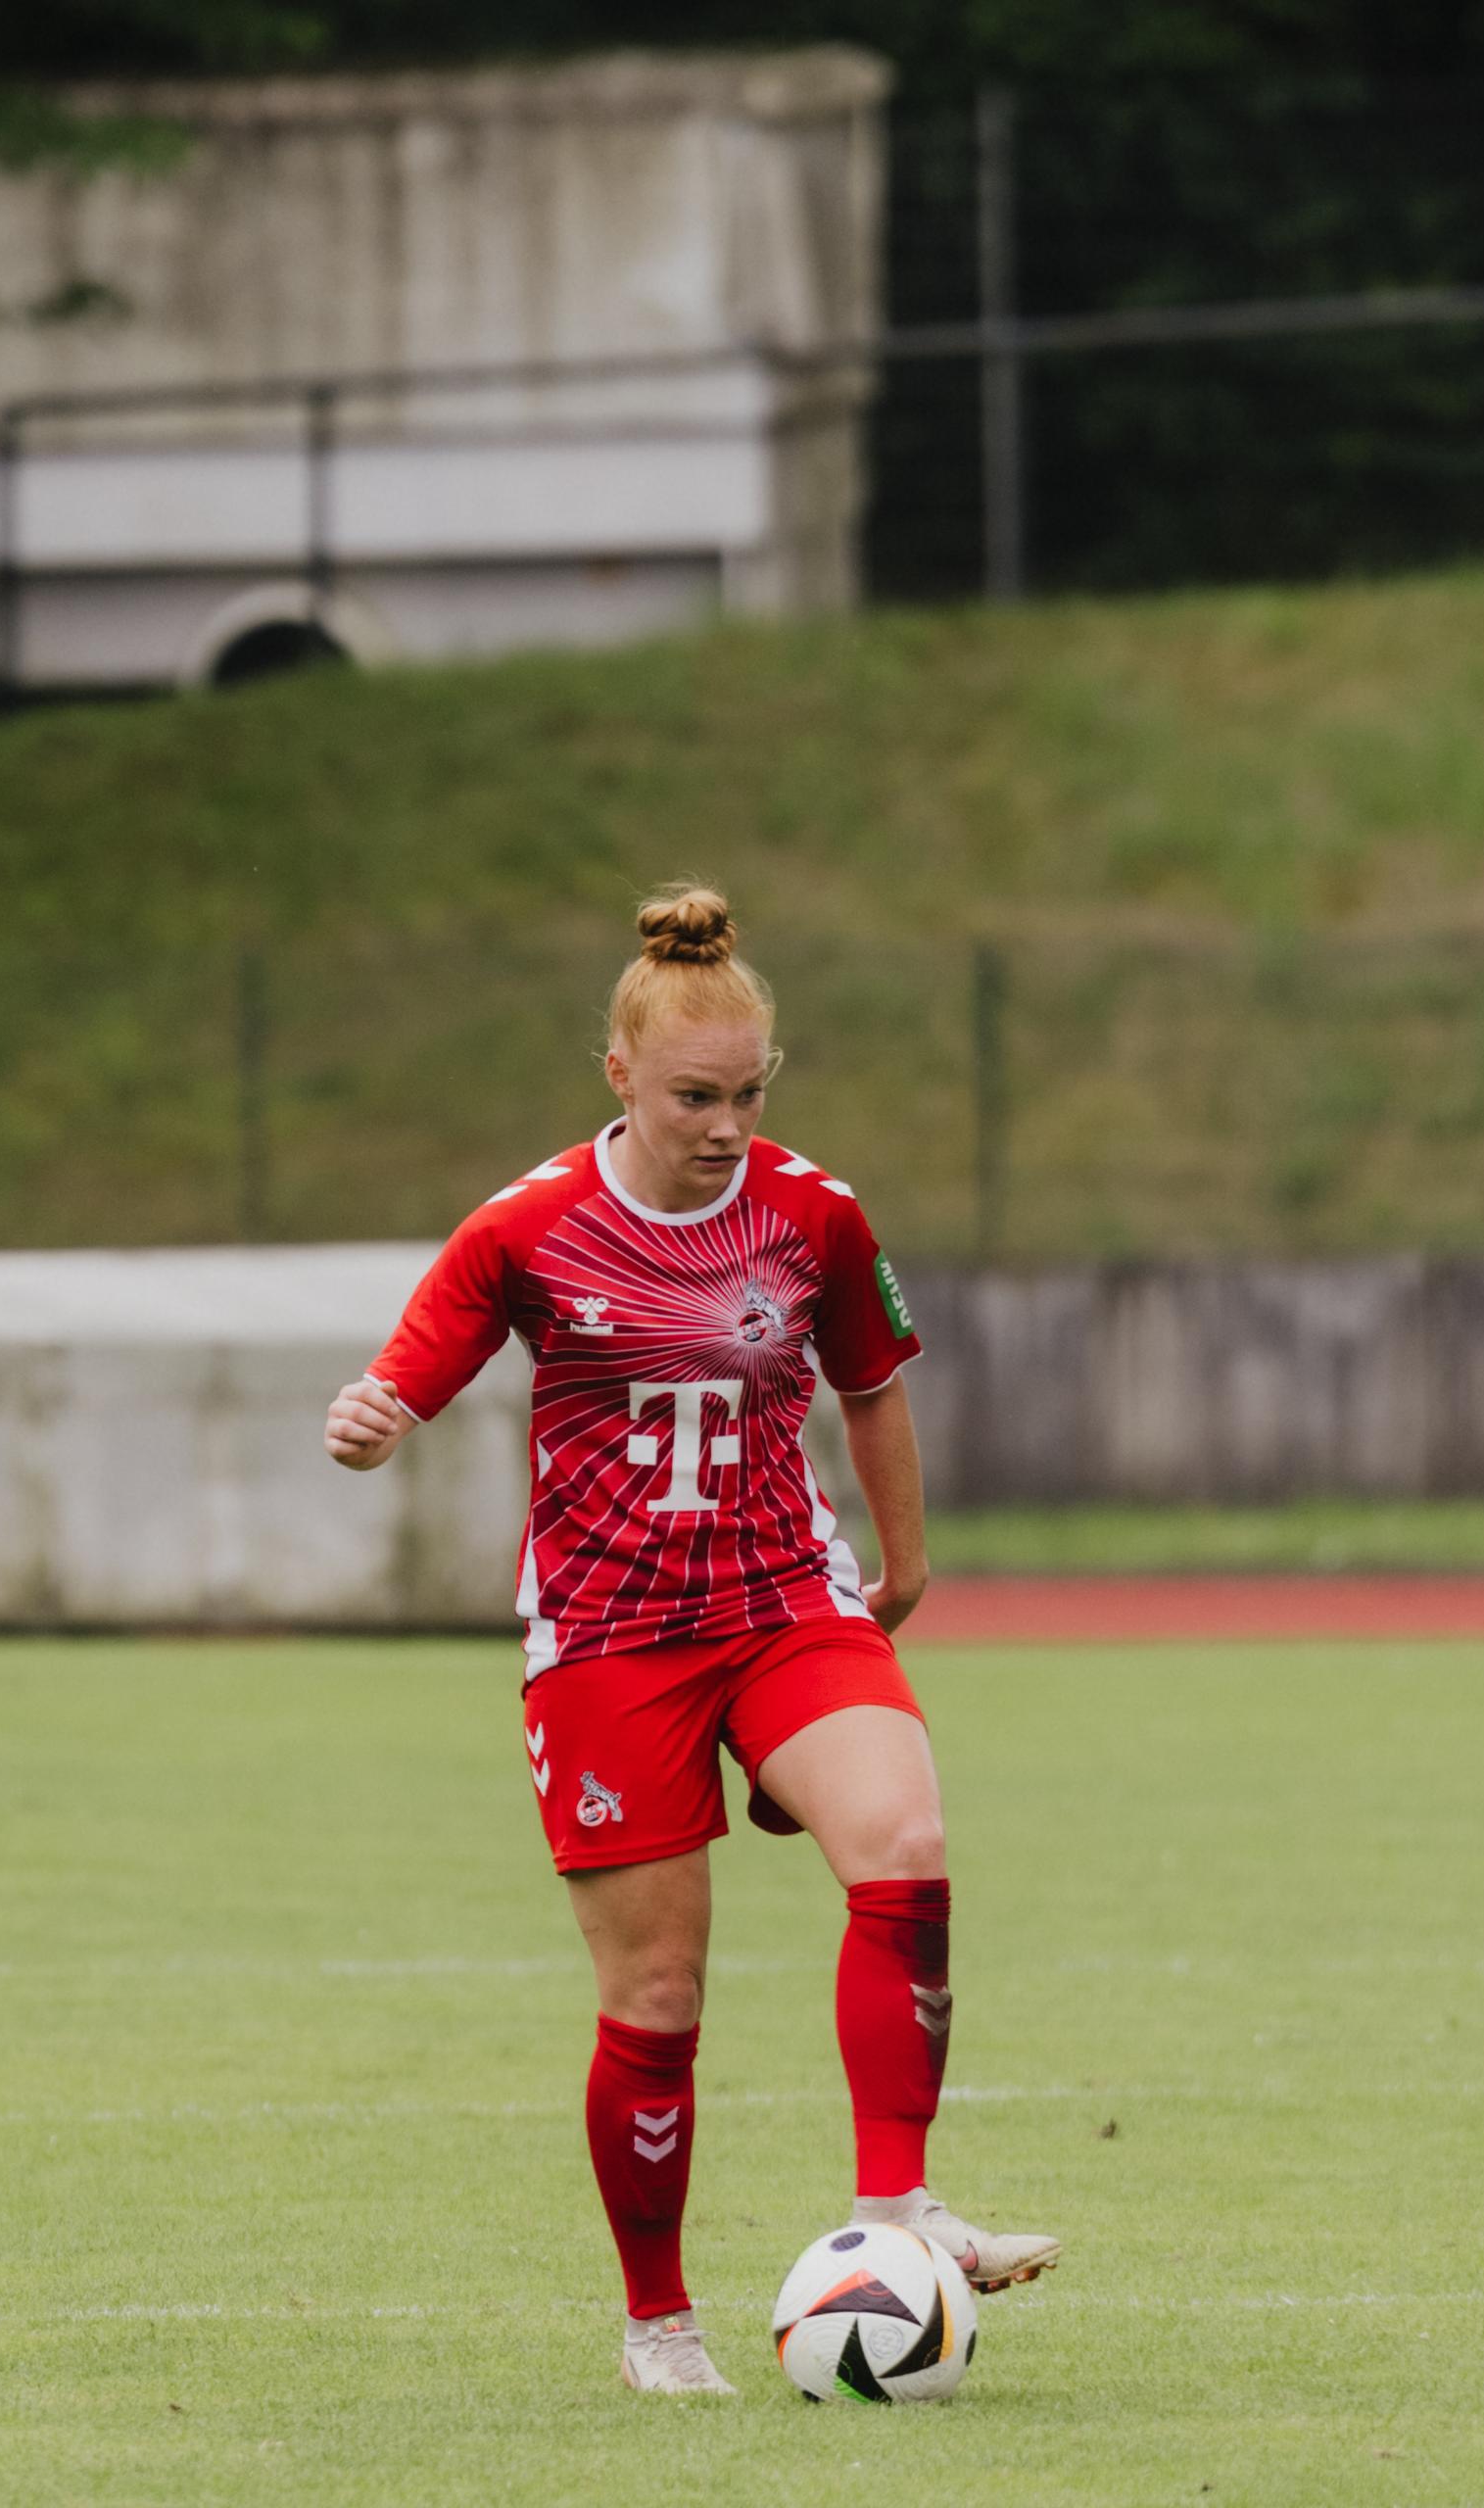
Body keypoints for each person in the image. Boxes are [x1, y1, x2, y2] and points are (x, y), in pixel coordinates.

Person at [323, 885, 1059, 2397]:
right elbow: (412, 1370)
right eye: (693, 1097)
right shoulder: (529, 1229)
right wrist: (373, 1416)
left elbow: (870, 1384)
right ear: (620, 1078)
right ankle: (660, 2326)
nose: (726, 1125)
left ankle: (897, 2209)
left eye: (748, 1094)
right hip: (608, 1638)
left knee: (904, 1838)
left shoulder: (812, 1215)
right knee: (659, 1998)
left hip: (784, 1600)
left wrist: (899, 1574)